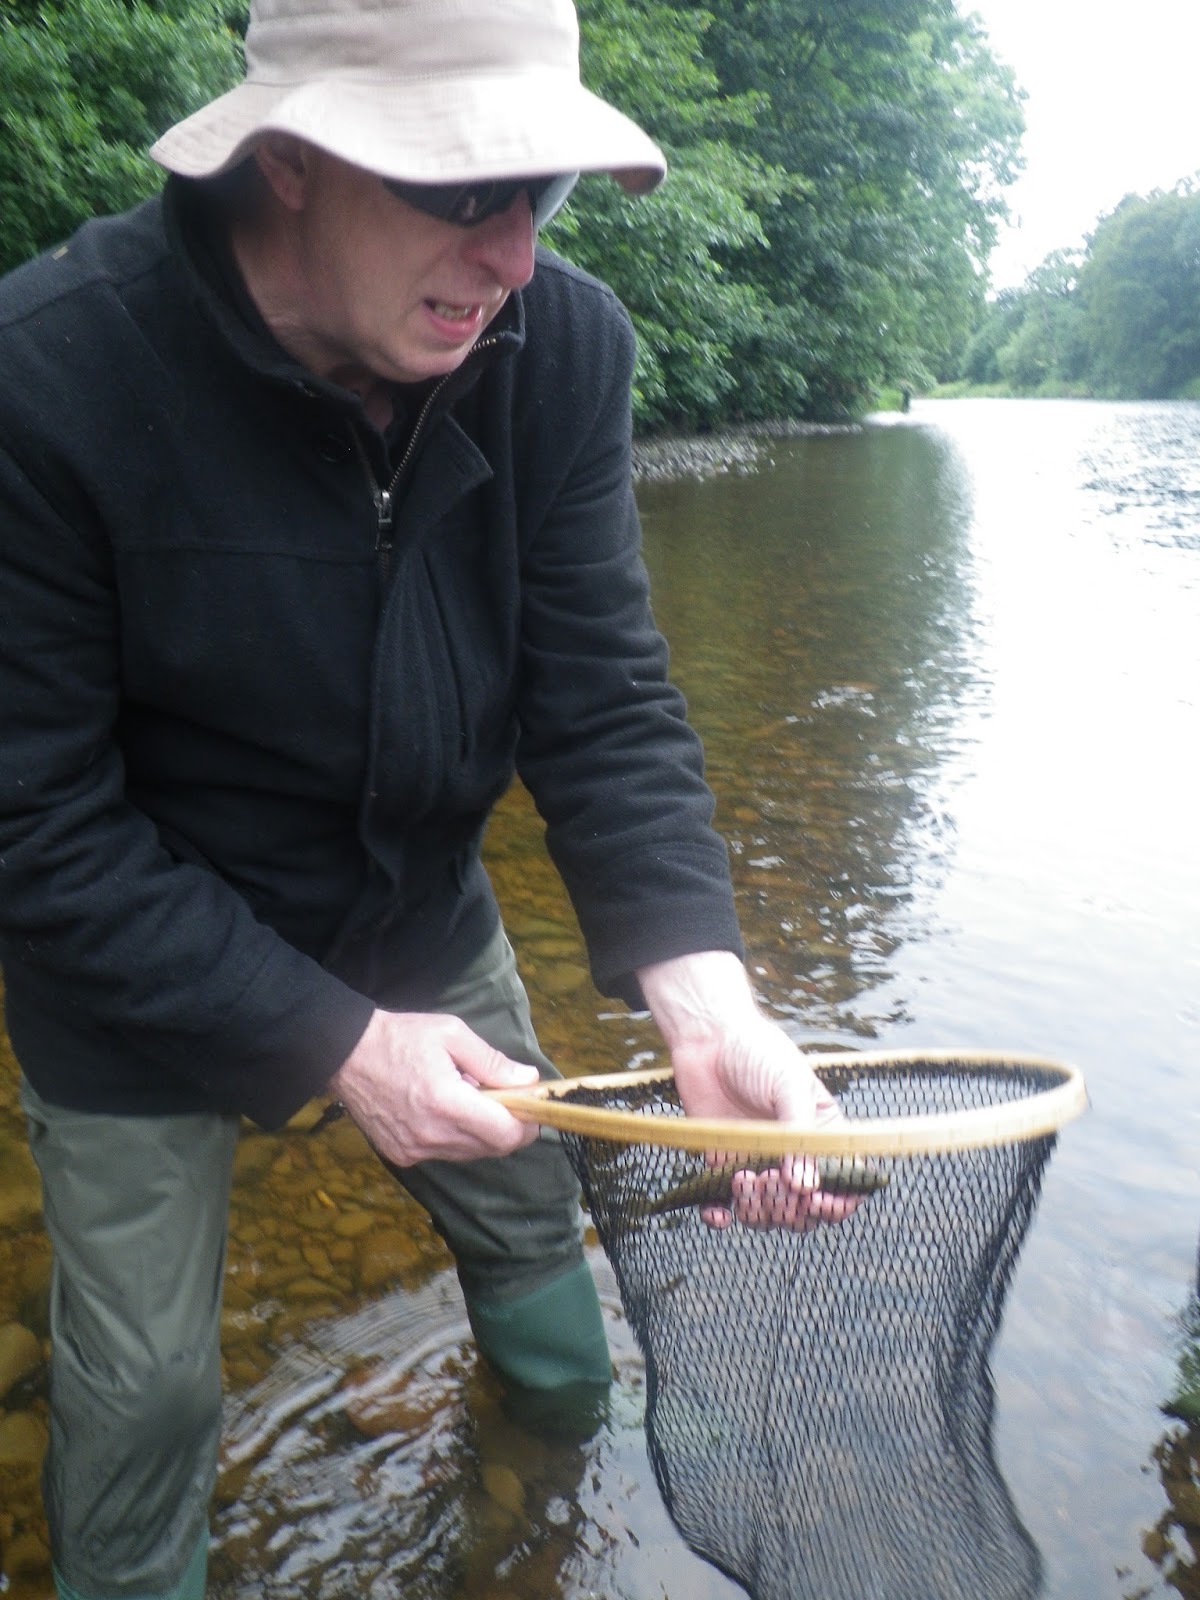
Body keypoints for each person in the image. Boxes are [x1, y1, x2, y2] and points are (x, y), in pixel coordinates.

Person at [0, 1, 852, 1595]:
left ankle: (539, 1493)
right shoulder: (45, 382)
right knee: (152, 1385)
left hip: (412, 904)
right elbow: (31, 825)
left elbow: (601, 695)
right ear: (293, 158)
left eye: (544, 193)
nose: (515, 257)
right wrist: (340, 1047)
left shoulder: (564, 349)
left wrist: (704, 995)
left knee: (535, 1232)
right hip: (124, 957)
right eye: (468, 192)